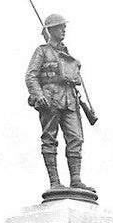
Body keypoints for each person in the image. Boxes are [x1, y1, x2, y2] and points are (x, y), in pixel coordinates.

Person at [25, 13, 93, 193]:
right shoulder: (42, 51)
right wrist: (38, 94)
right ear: (50, 30)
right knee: (49, 138)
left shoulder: (66, 53)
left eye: (64, 27)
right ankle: (54, 182)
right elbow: (31, 76)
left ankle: (76, 179)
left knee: (76, 138)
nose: (63, 29)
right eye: (59, 27)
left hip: (70, 99)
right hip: (50, 99)